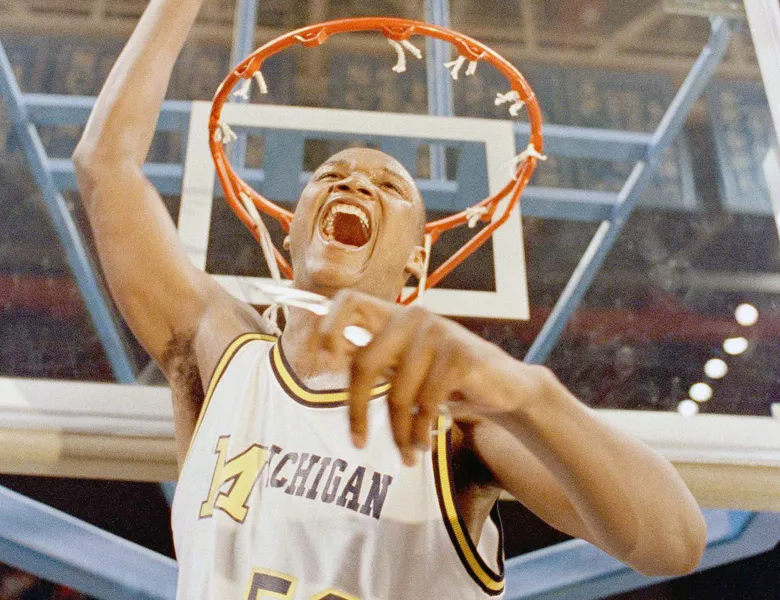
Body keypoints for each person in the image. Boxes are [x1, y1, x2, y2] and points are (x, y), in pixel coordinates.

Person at [73, 1, 707, 598]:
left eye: (389, 186)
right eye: (329, 175)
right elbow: (105, 164)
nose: (354, 181)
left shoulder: (455, 416)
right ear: (288, 231)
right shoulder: (221, 354)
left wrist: (523, 390)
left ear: (418, 259)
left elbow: (675, 543)